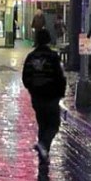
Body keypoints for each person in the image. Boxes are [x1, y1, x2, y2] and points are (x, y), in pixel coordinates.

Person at [21, 28, 67, 164]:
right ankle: (44, 145)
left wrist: (32, 89)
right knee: (53, 124)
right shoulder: (53, 57)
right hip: (51, 95)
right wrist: (60, 93)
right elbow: (60, 76)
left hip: (37, 96)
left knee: (42, 123)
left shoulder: (31, 57)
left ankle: (44, 154)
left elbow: (25, 77)